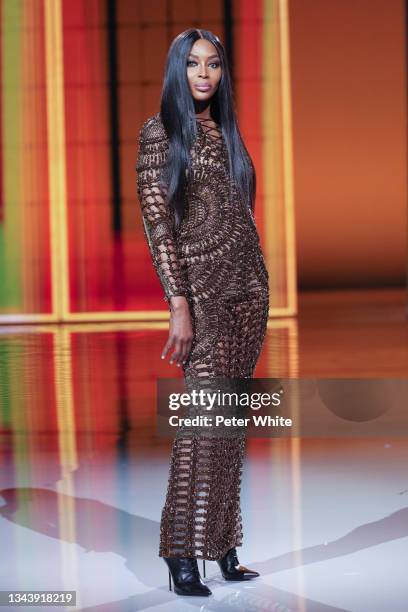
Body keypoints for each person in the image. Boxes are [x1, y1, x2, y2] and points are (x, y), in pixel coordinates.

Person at [136, 28, 269, 597]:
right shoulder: (161, 133)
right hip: (204, 297)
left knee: (230, 425)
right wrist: (179, 303)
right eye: (192, 64)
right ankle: (179, 548)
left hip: (249, 295)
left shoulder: (229, 131)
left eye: (213, 64)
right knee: (200, 428)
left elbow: (244, 211)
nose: (203, 74)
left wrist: (252, 277)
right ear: (177, 70)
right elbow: (159, 227)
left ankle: (220, 542)